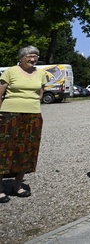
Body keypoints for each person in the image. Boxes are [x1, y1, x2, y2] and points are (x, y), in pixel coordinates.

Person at [0, 46, 46, 202]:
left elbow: (41, 92)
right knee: (5, 150)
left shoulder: (40, 73)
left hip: (33, 115)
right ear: (21, 57)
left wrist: (32, 102)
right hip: (10, 114)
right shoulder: (10, 72)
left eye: (35, 56)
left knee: (27, 150)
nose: (33, 59)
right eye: (29, 56)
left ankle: (17, 186)